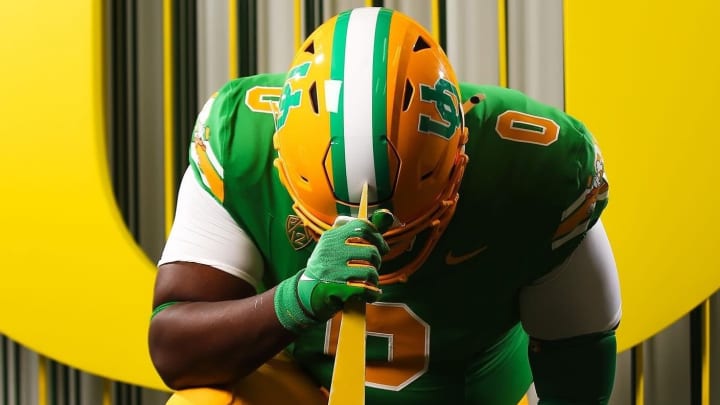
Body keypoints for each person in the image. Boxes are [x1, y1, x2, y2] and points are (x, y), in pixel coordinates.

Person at [148, 6, 622, 405]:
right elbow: (175, 351)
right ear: (281, 160)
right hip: (310, 391)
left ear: (460, 155)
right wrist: (296, 300)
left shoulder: (534, 168)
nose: (383, 245)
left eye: (404, 226)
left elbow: (577, 360)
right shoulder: (241, 143)